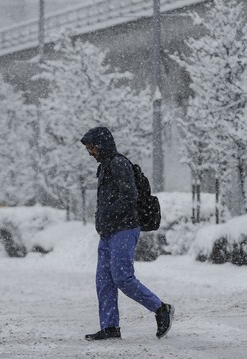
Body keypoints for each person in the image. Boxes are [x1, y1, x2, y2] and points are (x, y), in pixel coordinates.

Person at [80, 126, 173, 340]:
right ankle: (110, 327)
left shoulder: (119, 163)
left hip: (124, 229)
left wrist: (106, 216)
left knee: (123, 278)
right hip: (108, 232)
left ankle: (161, 309)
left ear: (101, 145)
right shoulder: (104, 166)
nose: (90, 152)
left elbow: (128, 196)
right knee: (103, 280)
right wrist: (100, 220)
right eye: (88, 149)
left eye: (92, 147)